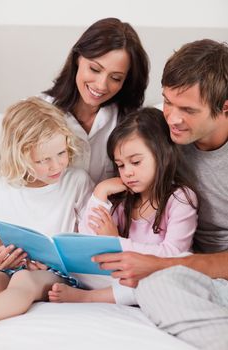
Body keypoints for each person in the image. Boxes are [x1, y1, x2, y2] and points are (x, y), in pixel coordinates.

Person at [92, 39, 228, 350]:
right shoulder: (159, 132)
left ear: (224, 106)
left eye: (188, 110)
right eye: (168, 101)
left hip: (202, 270)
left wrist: (159, 265)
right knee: (154, 289)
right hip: (189, 275)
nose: (172, 118)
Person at [48, 107, 198, 305]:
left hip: (156, 274)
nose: (127, 172)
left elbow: (174, 254)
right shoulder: (123, 199)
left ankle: (88, 297)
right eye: (121, 165)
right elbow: (88, 241)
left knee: (167, 279)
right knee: (77, 269)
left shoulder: (180, 198)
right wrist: (100, 192)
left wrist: (116, 242)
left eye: (135, 162)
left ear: (163, 155)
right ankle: (103, 292)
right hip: (120, 276)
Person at [0, 97, 93, 321]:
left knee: (24, 282)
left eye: (61, 153)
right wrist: (1, 257)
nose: (56, 165)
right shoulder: (1, 185)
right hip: (10, 267)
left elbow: (87, 241)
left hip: (54, 273)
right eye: (43, 160)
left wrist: (51, 263)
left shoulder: (76, 182)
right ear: (19, 157)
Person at [41, 17, 149, 185]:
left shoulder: (131, 122)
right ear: (77, 58)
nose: (101, 85)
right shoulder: (39, 111)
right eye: (95, 69)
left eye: (115, 78)